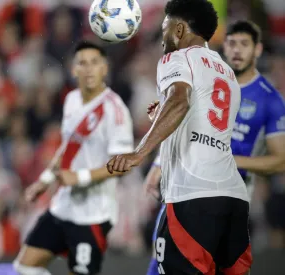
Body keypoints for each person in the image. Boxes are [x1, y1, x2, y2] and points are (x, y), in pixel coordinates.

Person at [107, 0, 253, 274]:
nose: (162, 38)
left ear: (179, 29)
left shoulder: (177, 57)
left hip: (192, 197)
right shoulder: (228, 73)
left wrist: (140, 151)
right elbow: (200, 120)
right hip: (233, 198)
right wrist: (164, 112)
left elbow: (180, 100)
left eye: (164, 29)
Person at [143, 19, 285, 275]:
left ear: (258, 50)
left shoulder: (270, 99)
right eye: (231, 43)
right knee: (161, 261)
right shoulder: (210, 78)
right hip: (191, 188)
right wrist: (158, 163)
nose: (237, 50)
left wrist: (228, 159)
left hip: (232, 193)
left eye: (244, 44)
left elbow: (281, 161)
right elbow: (179, 118)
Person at [13, 41, 134, 275]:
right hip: (63, 206)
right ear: (73, 69)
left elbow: (124, 165)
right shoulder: (71, 100)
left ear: (104, 68)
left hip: (93, 214)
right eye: (82, 63)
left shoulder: (115, 110)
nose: (88, 69)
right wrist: (45, 180)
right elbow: (68, 147)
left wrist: (80, 177)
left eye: (94, 63)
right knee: (24, 267)